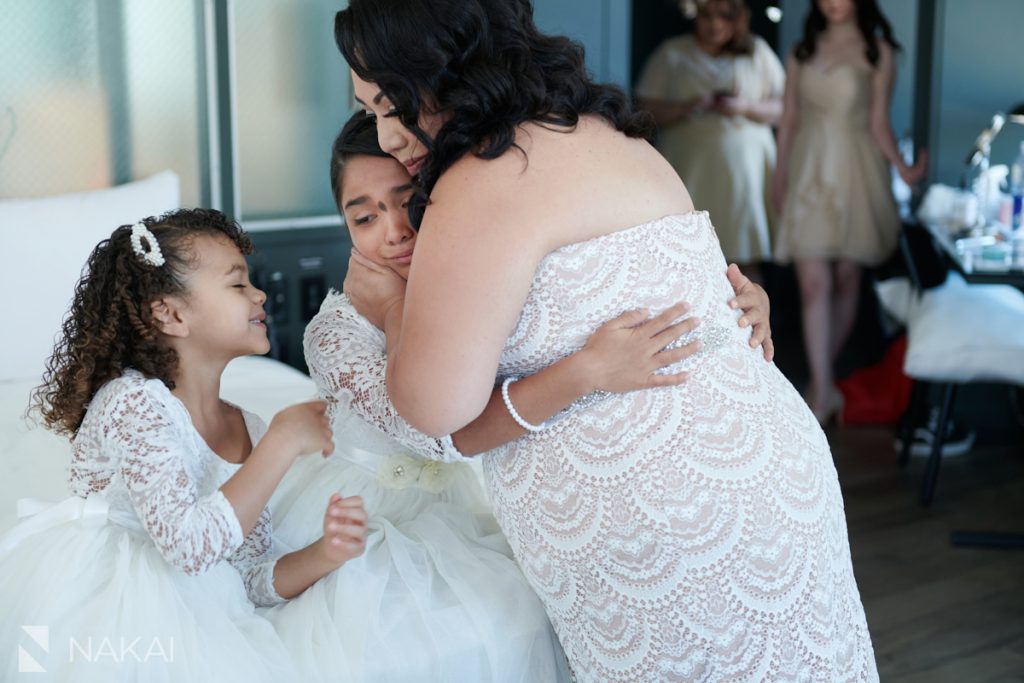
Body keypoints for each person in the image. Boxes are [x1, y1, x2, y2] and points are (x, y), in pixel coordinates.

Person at [334, 0, 877, 680]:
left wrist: (389, 311)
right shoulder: (609, 135)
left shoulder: (478, 179)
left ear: (445, 69)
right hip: (777, 474)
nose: (385, 136)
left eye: (391, 105)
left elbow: (431, 410)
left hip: (672, 525)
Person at [261, 110, 775, 682]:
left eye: (408, 202)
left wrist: (729, 311)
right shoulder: (334, 334)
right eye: (363, 216)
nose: (394, 230)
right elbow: (429, 431)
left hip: (499, 499)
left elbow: (609, 314)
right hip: (375, 514)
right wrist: (393, 310)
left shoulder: (491, 274)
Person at [0, 209, 367, 681]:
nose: (259, 294)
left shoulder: (248, 427)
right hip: (109, 606)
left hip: (207, 603)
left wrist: (326, 553)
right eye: (237, 285)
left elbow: (249, 575)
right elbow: (188, 548)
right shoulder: (132, 403)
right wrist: (285, 438)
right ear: (170, 314)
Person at [773, 0, 927, 423]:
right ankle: (821, 392)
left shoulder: (879, 50)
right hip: (808, 169)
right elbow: (788, 118)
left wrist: (904, 169)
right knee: (813, 284)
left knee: (844, 279)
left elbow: (880, 122)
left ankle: (821, 385)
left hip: (857, 169)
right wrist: (779, 178)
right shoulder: (802, 49)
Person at [637, 0, 784, 281]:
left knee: (745, 261)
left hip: (745, 178)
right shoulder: (672, 52)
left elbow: (784, 109)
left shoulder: (756, 51)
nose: (715, 25)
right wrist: (687, 106)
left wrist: (744, 107)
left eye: (724, 17)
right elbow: (644, 108)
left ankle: (751, 322)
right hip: (692, 172)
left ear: (737, 18)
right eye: (707, 16)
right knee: (688, 260)